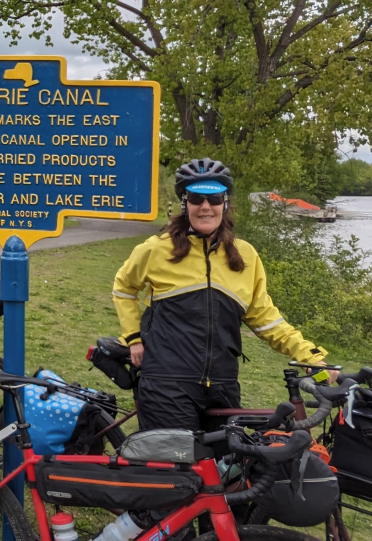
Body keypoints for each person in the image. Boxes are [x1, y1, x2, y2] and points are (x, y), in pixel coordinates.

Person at [112, 157, 335, 432]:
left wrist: (310, 356)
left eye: (215, 198)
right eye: (197, 198)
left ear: (224, 203)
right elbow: (124, 288)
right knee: (177, 459)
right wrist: (133, 338)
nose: (206, 206)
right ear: (185, 204)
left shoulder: (245, 255)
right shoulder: (156, 249)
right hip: (167, 382)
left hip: (222, 384)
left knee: (228, 458)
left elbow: (267, 320)